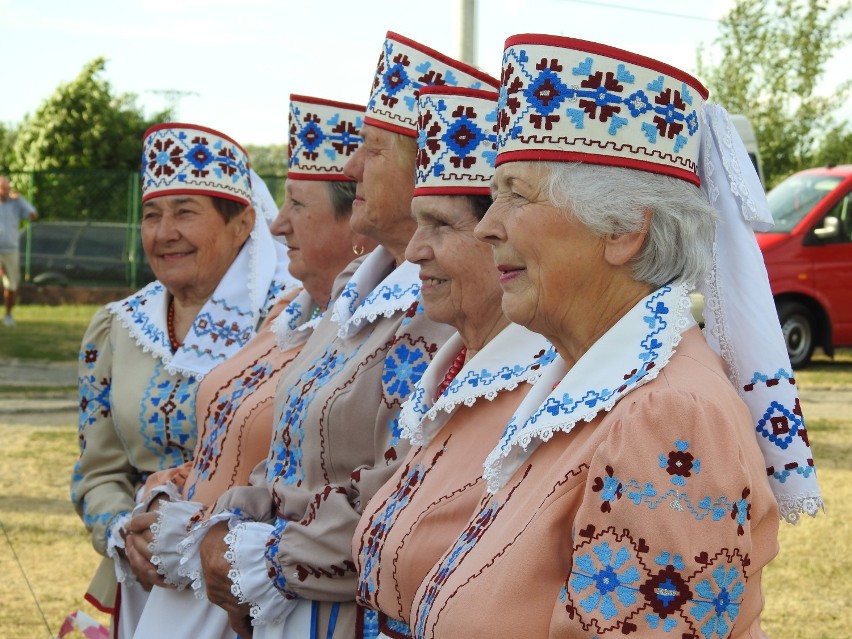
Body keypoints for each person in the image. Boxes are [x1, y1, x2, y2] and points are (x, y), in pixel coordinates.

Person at [404, 35, 824, 638]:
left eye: (515, 195)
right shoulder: (588, 387)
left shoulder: (670, 417)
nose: (489, 227)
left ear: (625, 230)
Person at [195, 32, 496, 639]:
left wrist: (266, 557)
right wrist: (226, 526)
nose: (351, 167)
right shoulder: (358, 285)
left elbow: (406, 480)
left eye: (372, 150)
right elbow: (288, 453)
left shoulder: (456, 303)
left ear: (426, 169)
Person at [118, 95, 375, 639]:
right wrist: (164, 493)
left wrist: (241, 551)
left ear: (359, 220)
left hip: (254, 598)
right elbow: (228, 444)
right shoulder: (290, 315)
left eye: (298, 206)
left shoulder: (382, 335)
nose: (278, 226)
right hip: (191, 580)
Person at [71, 122, 299, 638]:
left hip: (243, 591)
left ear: (243, 223)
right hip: (140, 582)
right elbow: (96, 474)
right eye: (151, 215)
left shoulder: (288, 323)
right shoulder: (117, 328)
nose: (163, 232)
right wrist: (124, 533)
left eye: (185, 213)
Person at [353, 85, 556, 638]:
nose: (415, 250)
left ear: (499, 236)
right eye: (418, 224)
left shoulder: (547, 392)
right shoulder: (457, 368)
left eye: (441, 225)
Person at [0, 175, 38, 326]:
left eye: (8, 188)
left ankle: (8, 315)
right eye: (3, 188)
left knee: (12, 284)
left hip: (11, 250)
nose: (6, 191)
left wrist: (21, 199)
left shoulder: (15, 204)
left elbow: (33, 215)